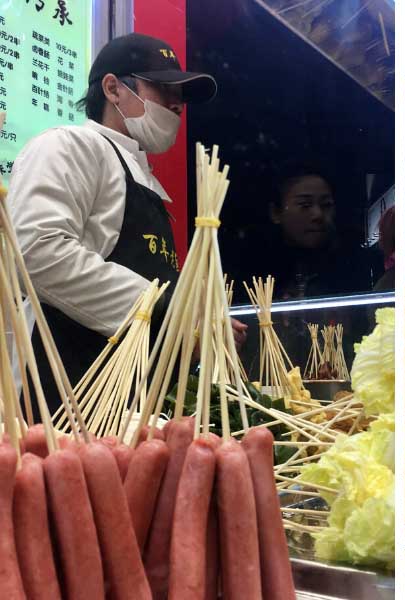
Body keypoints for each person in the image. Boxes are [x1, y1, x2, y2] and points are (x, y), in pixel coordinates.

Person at [7, 33, 247, 415]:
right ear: (113, 88)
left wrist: (193, 322)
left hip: (137, 407)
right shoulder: (69, 145)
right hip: (67, 397)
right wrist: (171, 312)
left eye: (181, 96)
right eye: (163, 88)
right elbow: (36, 250)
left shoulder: (145, 181)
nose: (177, 104)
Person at [260, 164, 373, 300]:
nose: (318, 215)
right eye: (305, 205)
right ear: (276, 213)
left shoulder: (355, 266)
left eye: (326, 205)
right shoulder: (257, 270)